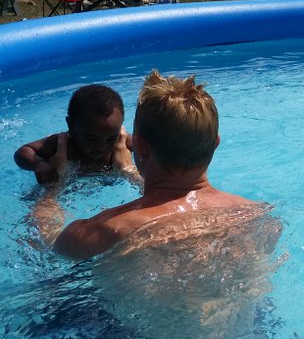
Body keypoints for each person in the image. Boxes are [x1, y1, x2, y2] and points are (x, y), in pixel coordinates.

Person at [37, 70, 276, 260]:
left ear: (140, 147)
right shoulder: (258, 216)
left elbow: (49, 248)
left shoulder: (106, 231)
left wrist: (54, 188)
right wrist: (130, 173)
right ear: (215, 144)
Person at [14, 84, 136, 185]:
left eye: (111, 139)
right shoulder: (62, 143)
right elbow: (24, 152)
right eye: (92, 139)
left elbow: (145, 147)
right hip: (68, 187)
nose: (102, 146)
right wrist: (38, 164)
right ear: (71, 126)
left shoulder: (122, 140)